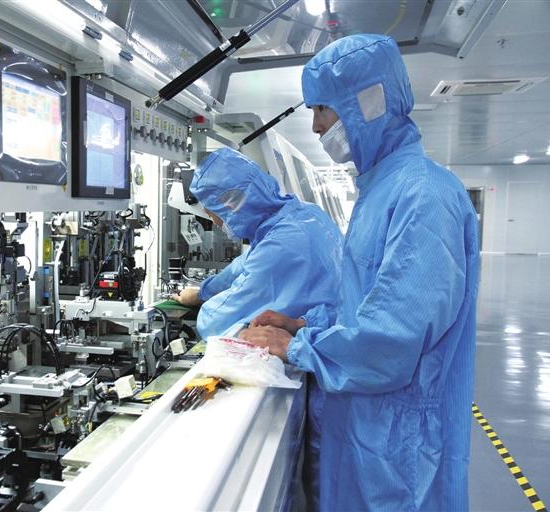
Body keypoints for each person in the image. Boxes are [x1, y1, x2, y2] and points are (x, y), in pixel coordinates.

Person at [240, 34, 480, 511]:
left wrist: (296, 346)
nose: (316, 125)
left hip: (395, 452)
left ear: (367, 102)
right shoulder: (381, 190)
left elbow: (391, 339)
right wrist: (303, 324)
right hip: (365, 431)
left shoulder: (423, 195)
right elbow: (363, 303)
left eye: (322, 109)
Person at [171, 147, 342, 343]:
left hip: (321, 345)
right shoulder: (305, 213)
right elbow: (244, 263)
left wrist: (203, 307)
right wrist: (203, 291)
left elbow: (215, 324)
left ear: (231, 206)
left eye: (211, 214)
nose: (216, 223)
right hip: (331, 324)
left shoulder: (279, 246)